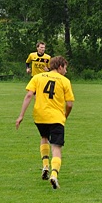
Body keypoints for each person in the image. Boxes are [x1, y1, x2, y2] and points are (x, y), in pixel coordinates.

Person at [16, 56, 75, 189]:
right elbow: (69, 104)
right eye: (65, 68)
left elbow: (29, 95)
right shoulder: (65, 81)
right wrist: (65, 116)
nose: (66, 71)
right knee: (56, 147)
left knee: (44, 137)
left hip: (39, 116)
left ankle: (45, 166)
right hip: (56, 117)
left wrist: (21, 115)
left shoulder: (37, 77)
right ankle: (54, 175)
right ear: (60, 67)